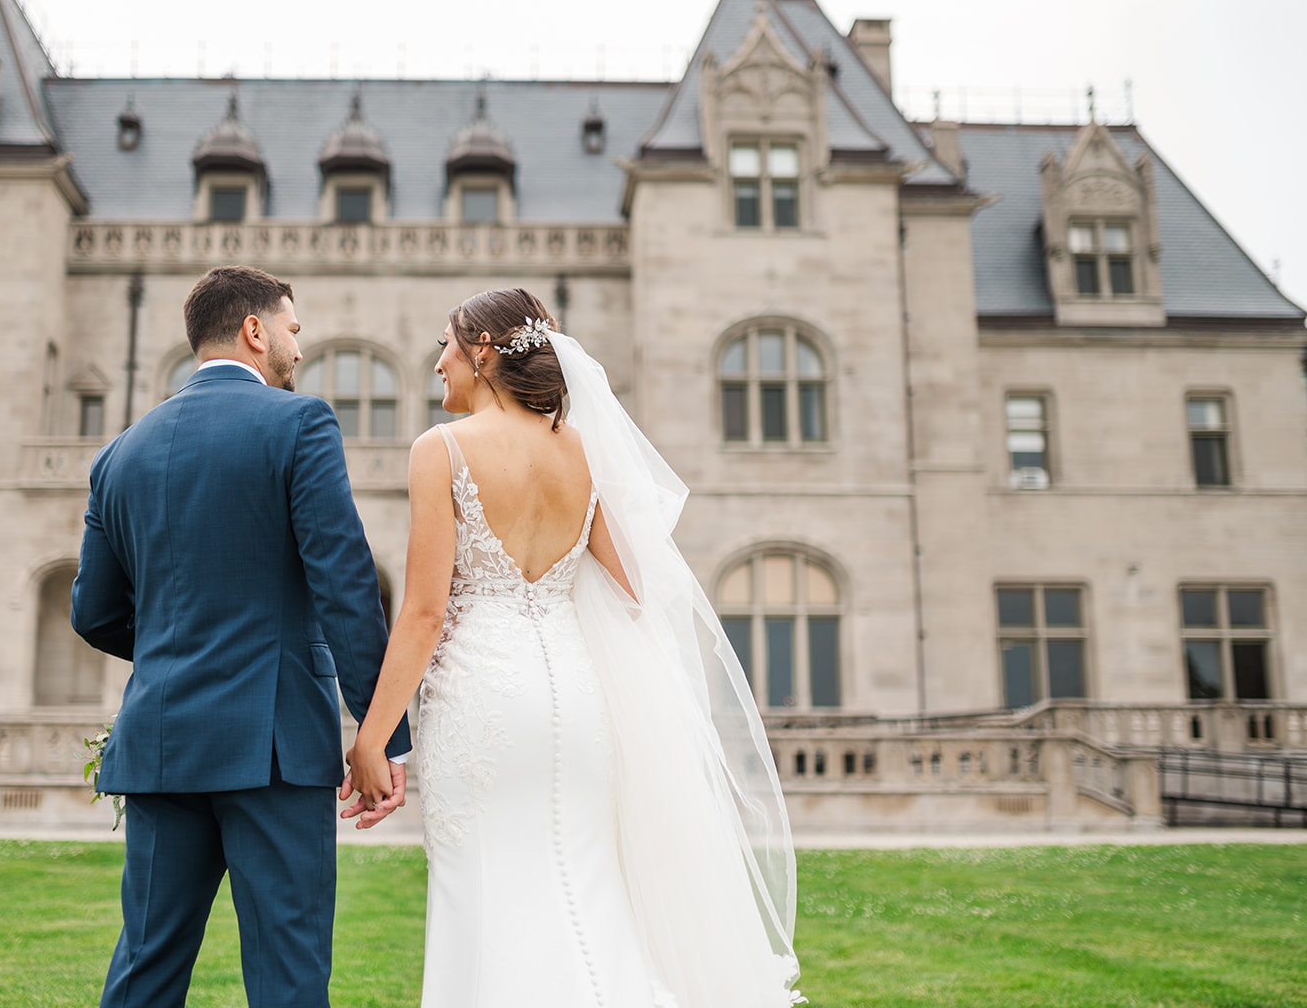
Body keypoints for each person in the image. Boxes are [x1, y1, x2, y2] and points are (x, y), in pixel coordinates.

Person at [344, 288, 805, 1007]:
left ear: (484, 351)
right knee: (585, 886)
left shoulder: (441, 450)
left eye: (446, 344)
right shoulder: (585, 453)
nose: (438, 363)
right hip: (575, 697)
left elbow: (425, 612)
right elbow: (634, 589)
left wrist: (374, 737)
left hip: (483, 700)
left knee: (487, 895)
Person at [71, 264, 411, 1008]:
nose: (298, 341)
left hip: (162, 742)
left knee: (145, 967)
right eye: (291, 326)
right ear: (255, 331)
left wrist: (172, 643)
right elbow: (347, 587)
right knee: (288, 974)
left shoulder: (117, 454)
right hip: (276, 748)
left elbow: (92, 611)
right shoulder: (301, 423)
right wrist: (384, 733)